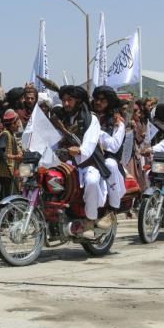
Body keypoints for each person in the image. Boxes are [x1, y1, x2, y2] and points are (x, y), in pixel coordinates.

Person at [53, 86, 110, 239]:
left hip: (88, 163)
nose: (65, 104)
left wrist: (80, 150)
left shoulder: (91, 118)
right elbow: (53, 139)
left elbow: (90, 143)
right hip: (64, 162)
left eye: (69, 100)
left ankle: (90, 221)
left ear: (78, 101)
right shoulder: (59, 119)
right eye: (63, 100)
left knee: (91, 181)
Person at [92, 86, 126, 220]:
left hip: (108, 160)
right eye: (96, 99)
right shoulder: (87, 117)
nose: (98, 103)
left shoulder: (118, 123)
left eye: (102, 100)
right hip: (87, 158)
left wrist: (95, 132)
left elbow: (113, 146)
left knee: (109, 164)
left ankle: (112, 210)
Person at [0, 109, 22, 199]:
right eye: (17, 122)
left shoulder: (11, 135)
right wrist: (15, 157)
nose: (19, 124)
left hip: (11, 172)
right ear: (13, 123)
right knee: (6, 197)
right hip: (5, 173)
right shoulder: (5, 134)